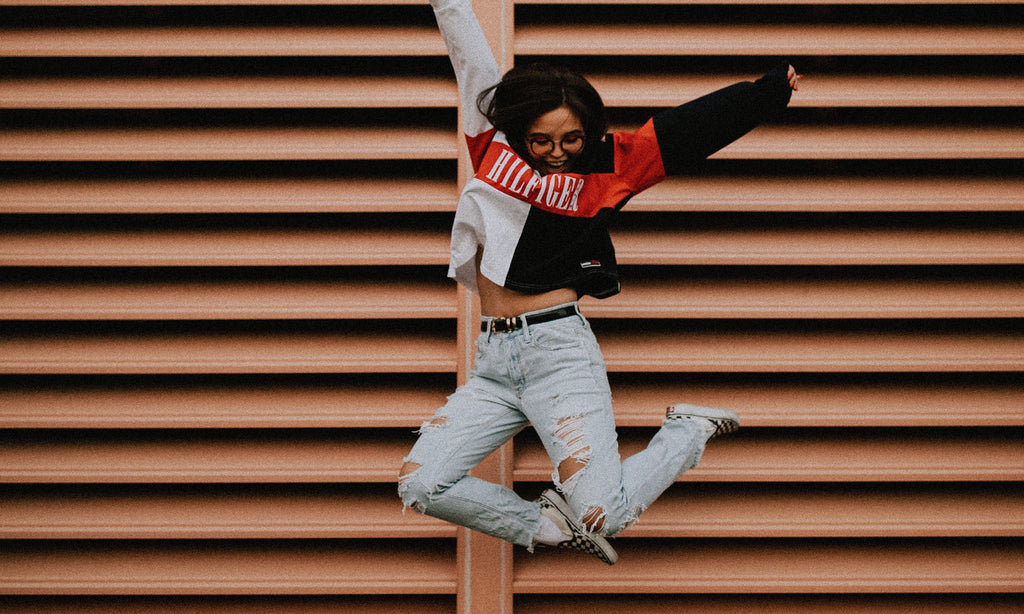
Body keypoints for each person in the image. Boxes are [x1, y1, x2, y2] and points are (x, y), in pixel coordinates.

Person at [399, 0, 800, 565]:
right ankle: (549, 527)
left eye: (572, 140)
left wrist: (767, 92)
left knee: (603, 513)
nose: (558, 154)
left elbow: (689, 128)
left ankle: (686, 433)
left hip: (558, 354)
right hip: (493, 359)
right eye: (542, 141)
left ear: (588, 132)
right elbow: (468, 53)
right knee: (420, 484)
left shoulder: (614, 165)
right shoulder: (491, 142)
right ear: (520, 132)